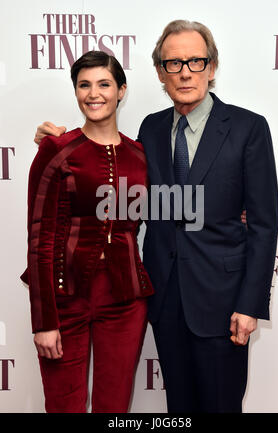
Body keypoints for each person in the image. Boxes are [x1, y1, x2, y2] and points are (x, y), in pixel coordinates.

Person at [34, 19, 278, 413]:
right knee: (178, 409)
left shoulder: (248, 128)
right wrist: (57, 143)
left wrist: (250, 305)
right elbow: (110, 176)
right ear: (160, 74)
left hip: (224, 304)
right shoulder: (151, 128)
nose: (184, 72)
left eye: (196, 61)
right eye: (173, 63)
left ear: (212, 68)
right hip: (165, 302)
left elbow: (265, 227)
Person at [21, 50, 154, 413]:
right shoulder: (56, 150)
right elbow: (39, 239)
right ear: (76, 91)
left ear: (121, 91)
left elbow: (165, 209)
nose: (93, 94)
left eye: (104, 84)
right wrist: (44, 321)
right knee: (64, 405)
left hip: (125, 302)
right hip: (64, 302)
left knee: (115, 407)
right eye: (84, 85)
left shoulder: (140, 155)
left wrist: (232, 214)